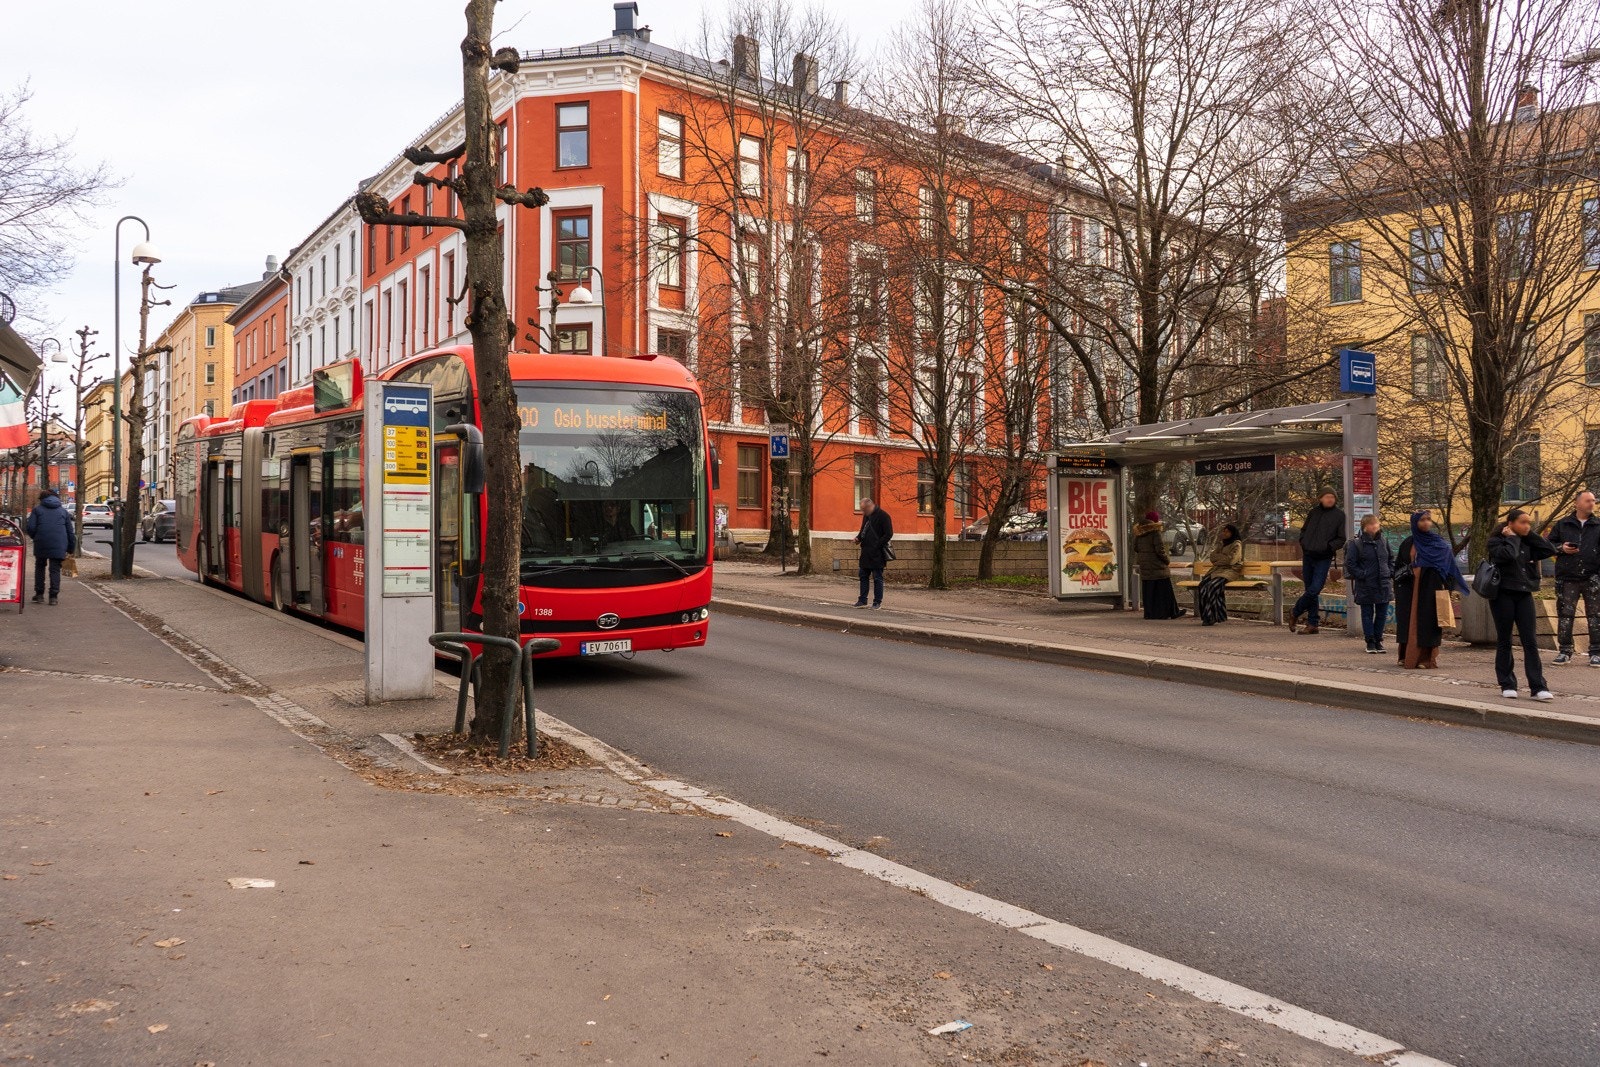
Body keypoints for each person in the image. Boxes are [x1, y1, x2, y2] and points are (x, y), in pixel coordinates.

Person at [1487, 509, 1557, 700]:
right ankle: (1507, 684)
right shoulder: (1496, 542)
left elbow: (1549, 549)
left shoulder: (1528, 541)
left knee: (1530, 641)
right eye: (1523, 522)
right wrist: (1512, 538)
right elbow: (1508, 555)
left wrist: (1529, 534)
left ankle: (1538, 687)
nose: (1527, 526)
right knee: (1505, 640)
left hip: (1524, 594)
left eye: (1529, 523)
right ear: (1510, 524)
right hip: (1503, 595)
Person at [1393, 510, 1469, 669]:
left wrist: (1445, 587)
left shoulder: (1438, 543)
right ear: (1415, 523)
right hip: (1409, 588)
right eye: (1422, 520)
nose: (1426, 523)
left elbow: (1448, 566)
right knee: (1408, 621)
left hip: (1430, 588)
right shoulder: (1408, 543)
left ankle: (1426, 658)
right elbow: (1399, 566)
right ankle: (1406, 655)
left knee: (1427, 621)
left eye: (1428, 520)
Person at [1548, 490, 1600, 666]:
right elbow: (1547, 545)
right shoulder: (1563, 524)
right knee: (1565, 614)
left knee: (1595, 615)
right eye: (1587, 501)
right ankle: (1565, 650)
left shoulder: (1597, 525)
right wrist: (1561, 548)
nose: (1591, 504)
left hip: (1592, 576)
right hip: (1567, 576)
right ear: (1576, 503)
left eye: (1593, 501)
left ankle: (1596, 652)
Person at [1290, 489, 1348, 634]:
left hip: (1324, 556)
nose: (1330, 499)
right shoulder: (1313, 512)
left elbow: (1341, 538)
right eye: (1327, 497)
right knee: (1310, 589)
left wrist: (1329, 548)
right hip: (1309, 555)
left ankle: (1295, 612)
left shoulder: (1339, 515)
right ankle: (1312, 623)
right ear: (1320, 498)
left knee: (1315, 588)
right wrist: (1304, 542)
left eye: (1332, 497)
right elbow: (1303, 531)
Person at [1344, 514, 1395, 654]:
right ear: (1365, 527)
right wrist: (1363, 574)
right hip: (1366, 584)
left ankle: (1379, 640)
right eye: (1372, 524)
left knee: (1382, 614)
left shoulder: (1384, 541)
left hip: (1383, 583)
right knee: (1367, 613)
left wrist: (1389, 571)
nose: (1375, 526)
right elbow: (1351, 564)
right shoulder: (1356, 544)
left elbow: (1391, 558)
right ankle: (1370, 641)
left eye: (1376, 524)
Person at [25, 487, 75, 606]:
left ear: (42, 499)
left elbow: (30, 528)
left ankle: (39, 595)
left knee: (40, 567)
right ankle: (53, 597)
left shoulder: (37, 510)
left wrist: (36, 537)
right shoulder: (63, 511)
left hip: (41, 542)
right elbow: (70, 532)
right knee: (55, 569)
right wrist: (70, 548)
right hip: (59, 543)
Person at [1132, 510, 1185, 620]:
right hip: (1157, 567)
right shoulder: (1155, 533)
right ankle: (1170, 612)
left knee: (1149, 591)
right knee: (1164, 590)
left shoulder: (1139, 533)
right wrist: (1167, 561)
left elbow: (1136, 548)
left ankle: (1150, 613)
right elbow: (1160, 550)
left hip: (1145, 567)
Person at [1196, 523, 1244, 626]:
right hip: (1216, 570)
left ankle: (1213, 616)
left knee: (1212, 586)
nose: (1224, 533)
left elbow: (1231, 560)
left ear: (1232, 533)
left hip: (1229, 571)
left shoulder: (1237, 544)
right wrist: (1222, 558)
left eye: (1227, 531)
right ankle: (1207, 616)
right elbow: (1212, 557)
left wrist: (1219, 559)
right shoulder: (1222, 544)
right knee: (1202, 586)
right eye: (1224, 531)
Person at [852, 497, 893, 609]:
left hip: (877, 553)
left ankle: (877, 602)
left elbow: (888, 534)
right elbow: (863, 531)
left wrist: (877, 545)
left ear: (870, 506)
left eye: (864, 509)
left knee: (877, 577)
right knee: (863, 576)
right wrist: (858, 538)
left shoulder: (884, 516)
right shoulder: (867, 516)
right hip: (866, 551)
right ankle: (862, 600)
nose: (863, 512)